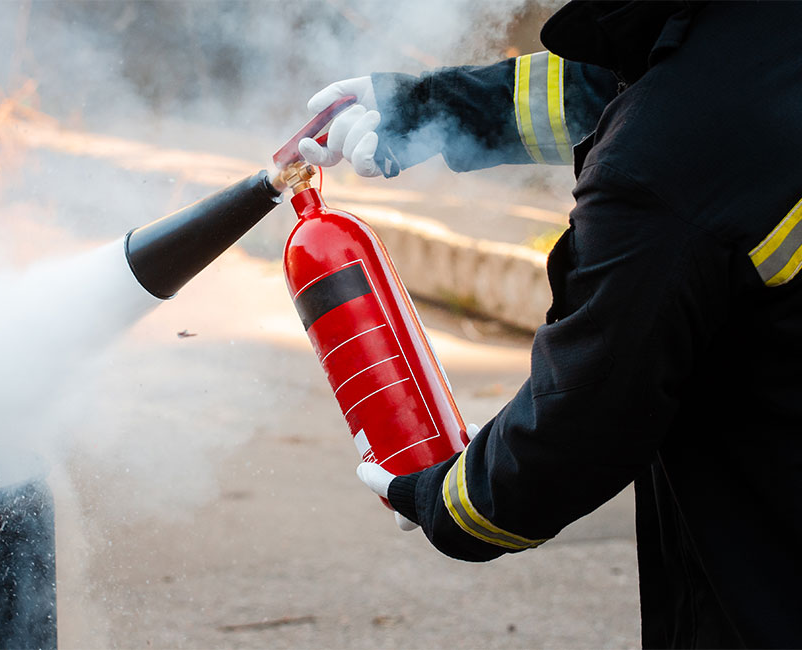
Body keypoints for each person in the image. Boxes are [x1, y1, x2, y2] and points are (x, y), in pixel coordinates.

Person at [299, 2, 802, 648]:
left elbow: (585, 417)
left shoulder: (663, 163)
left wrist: (448, 495)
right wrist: (421, 109)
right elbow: (605, 82)